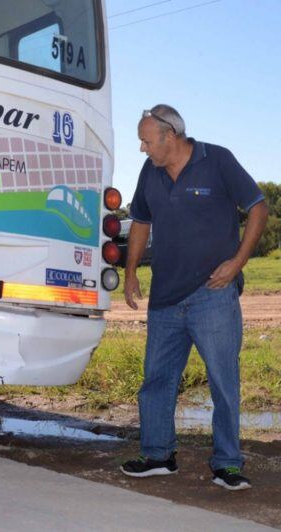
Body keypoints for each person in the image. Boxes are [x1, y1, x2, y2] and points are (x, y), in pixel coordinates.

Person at [119, 104, 268, 491]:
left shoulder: (217, 160)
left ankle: (227, 464)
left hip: (212, 295)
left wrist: (236, 263)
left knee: (223, 381)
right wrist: (132, 271)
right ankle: (157, 455)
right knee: (157, 380)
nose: (142, 148)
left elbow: (258, 207)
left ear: (171, 135)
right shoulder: (149, 172)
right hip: (166, 297)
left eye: (146, 140)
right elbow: (140, 221)